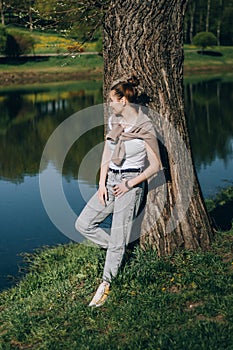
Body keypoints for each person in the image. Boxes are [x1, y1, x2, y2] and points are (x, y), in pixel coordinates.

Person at [75, 77, 161, 307]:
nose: (109, 104)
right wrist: (102, 183)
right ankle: (119, 247)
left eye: (112, 100)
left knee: (117, 237)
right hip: (110, 180)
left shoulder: (145, 127)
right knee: (83, 224)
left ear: (123, 100)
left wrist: (129, 185)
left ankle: (106, 284)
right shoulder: (114, 120)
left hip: (129, 185)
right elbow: (106, 153)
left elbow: (155, 166)